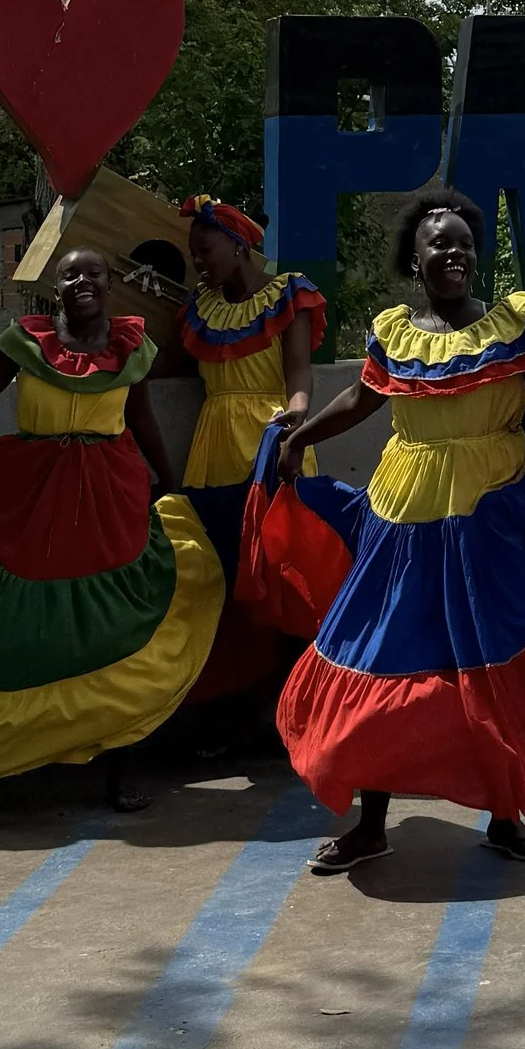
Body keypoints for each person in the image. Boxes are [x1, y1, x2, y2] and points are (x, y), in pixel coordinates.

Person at [243, 190, 525, 874]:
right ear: (415, 257)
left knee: (493, 665)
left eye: (465, 241)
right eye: (440, 242)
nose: (455, 251)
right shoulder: (395, 331)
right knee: (379, 655)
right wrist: (301, 434)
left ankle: (504, 816)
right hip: (403, 512)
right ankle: (370, 821)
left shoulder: (515, 324)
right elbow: (362, 395)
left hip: (491, 517)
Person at [0, 243, 224, 836]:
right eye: (70, 274)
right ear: (55, 288)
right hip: (39, 502)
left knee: (115, 628)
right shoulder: (23, 343)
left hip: (112, 499)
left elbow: (142, 420)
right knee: (24, 629)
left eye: (94, 273)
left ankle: (121, 762)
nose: (83, 280)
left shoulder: (130, 348)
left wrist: (167, 479)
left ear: (110, 286)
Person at [147, 196, 324, 711]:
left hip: (274, 447)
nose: (198, 260)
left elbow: (297, 369)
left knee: (285, 578)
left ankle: (299, 706)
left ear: (239, 245)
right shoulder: (199, 310)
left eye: (205, 249)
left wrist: (299, 414)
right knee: (225, 581)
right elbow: (160, 369)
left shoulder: (288, 292)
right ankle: (238, 710)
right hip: (215, 453)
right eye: (193, 252)